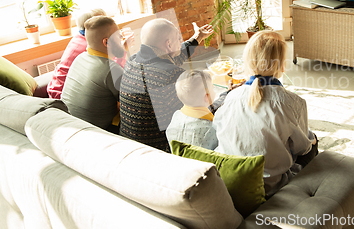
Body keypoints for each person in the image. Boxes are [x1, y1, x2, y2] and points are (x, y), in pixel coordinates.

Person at [212, 30, 318, 197]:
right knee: (311, 141)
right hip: (271, 187)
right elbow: (302, 148)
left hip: (231, 181)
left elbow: (218, 129)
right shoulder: (293, 103)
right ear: (282, 65)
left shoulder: (230, 97)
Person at [119, 18, 217, 152]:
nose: (181, 42)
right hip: (157, 150)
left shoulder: (132, 61)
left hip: (128, 144)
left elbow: (175, 56)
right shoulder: (171, 75)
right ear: (169, 44)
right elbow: (197, 109)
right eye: (178, 39)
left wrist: (197, 37)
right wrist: (227, 96)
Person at [61, 16, 132, 133]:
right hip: (98, 133)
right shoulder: (111, 70)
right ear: (106, 42)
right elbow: (134, 103)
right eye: (119, 36)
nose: (122, 39)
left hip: (71, 127)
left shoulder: (79, 58)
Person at [47, 8, 106, 99]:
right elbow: (108, 69)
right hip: (63, 96)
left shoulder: (78, 37)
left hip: (54, 88)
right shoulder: (90, 47)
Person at [166, 70, 218, 152]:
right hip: (205, 163)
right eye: (212, 87)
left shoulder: (176, 116)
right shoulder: (211, 128)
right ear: (207, 97)